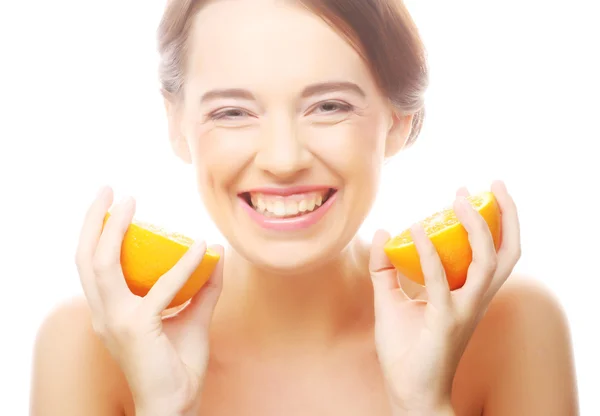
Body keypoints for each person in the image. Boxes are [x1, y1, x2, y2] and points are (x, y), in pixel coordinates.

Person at [30, 0, 579, 415]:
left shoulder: (511, 326)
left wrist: (423, 404)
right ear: (176, 125)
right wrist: (162, 407)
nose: (284, 159)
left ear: (398, 119)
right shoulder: (88, 343)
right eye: (232, 113)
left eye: (329, 106)